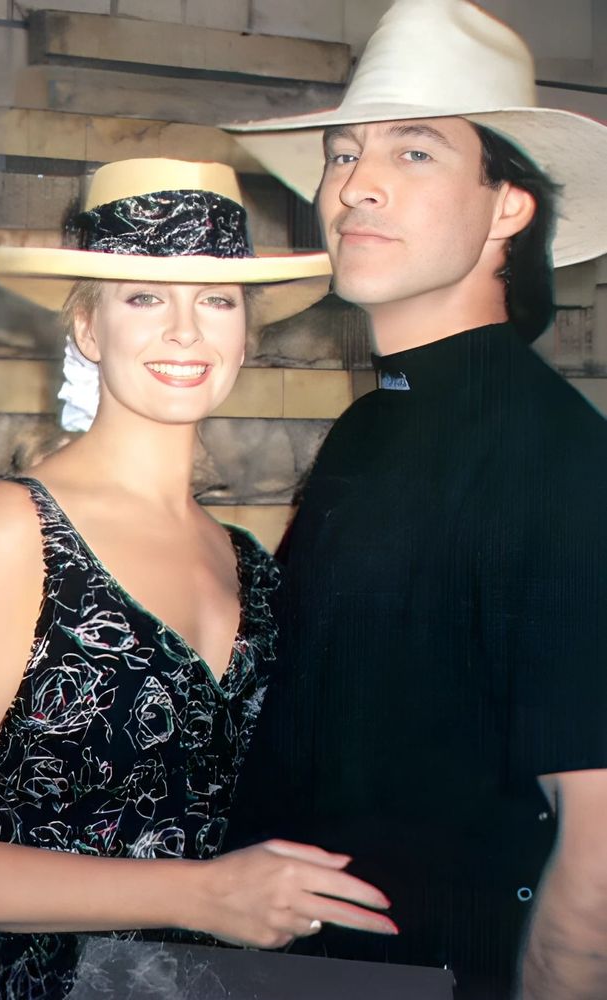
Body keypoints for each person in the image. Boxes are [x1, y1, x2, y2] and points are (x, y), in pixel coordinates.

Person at [0, 158, 398, 999]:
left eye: (215, 300)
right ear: (89, 331)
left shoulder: (247, 558)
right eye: (144, 297)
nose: (185, 332)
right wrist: (208, 893)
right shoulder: (16, 530)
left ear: (246, 334)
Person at [221, 2, 607, 997]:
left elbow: (600, 852)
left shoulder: (554, 457)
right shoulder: (372, 425)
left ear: (509, 206)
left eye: (417, 152)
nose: (357, 187)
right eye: (343, 154)